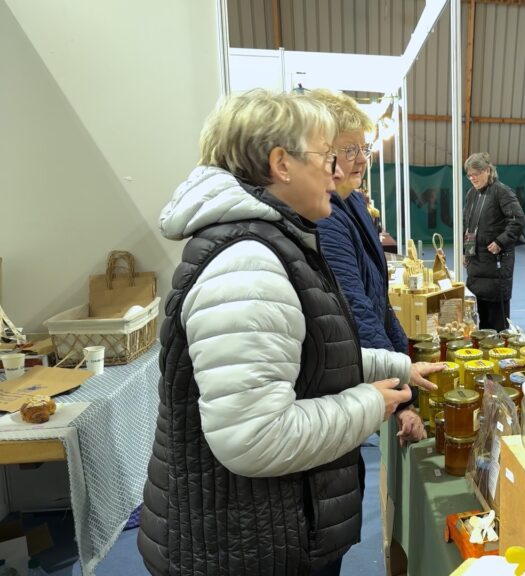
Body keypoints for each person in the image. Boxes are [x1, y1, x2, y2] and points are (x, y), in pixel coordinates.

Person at [137, 90, 441, 576]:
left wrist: (397, 366)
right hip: (246, 545)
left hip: (267, 532)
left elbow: (304, 362)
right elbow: (254, 436)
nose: (336, 171)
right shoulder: (248, 265)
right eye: (325, 157)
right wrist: (371, 403)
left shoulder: (274, 242)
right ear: (281, 163)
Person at [310, 89, 425, 446]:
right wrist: (403, 391)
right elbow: (355, 307)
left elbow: (378, 300)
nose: (360, 159)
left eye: (364, 149)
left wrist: (401, 370)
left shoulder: (353, 202)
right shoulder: (326, 218)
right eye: (349, 150)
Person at [463, 152, 525, 331]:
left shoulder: (502, 191)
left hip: (496, 265)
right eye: (469, 175)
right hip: (476, 266)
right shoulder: (471, 194)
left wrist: (500, 242)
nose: (472, 178)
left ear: (488, 171)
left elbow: (518, 219)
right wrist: (465, 252)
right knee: (478, 322)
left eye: (476, 173)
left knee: (497, 325)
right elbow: (468, 226)